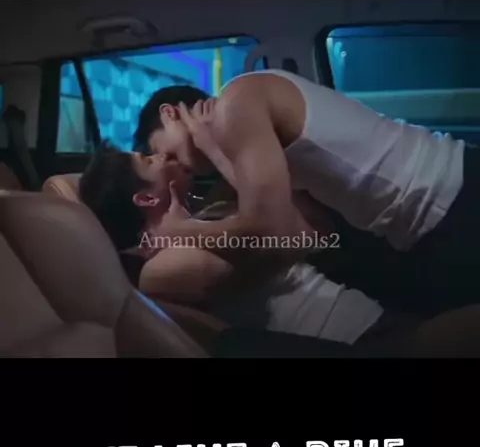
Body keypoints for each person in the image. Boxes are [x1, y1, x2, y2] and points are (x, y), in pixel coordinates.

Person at [132, 71, 480, 314]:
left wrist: (179, 230)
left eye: (166, 153)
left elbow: (272, 230)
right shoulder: (239, 130)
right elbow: (309, 228)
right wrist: (215, 151)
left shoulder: (235, 106)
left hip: (451, 196)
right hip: (435, 207)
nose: (174, 166)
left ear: (170, 114)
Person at [79, 141, 414, 346]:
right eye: (149, 160)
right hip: (348, 339)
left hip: (362, 318)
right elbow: (290, 240)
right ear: (146, 199)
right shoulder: (158, 269)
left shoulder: (206, 213)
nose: (161, 155)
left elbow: (305, 226)